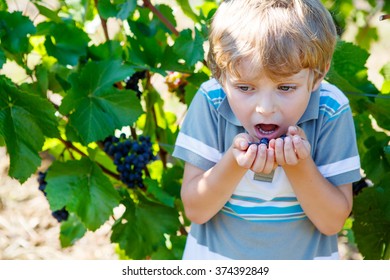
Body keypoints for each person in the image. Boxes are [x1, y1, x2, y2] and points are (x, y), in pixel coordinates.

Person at [173, 0, 361, 260]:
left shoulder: (331, 109)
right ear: (220, 75)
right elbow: (195, 209)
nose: (265, 108)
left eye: (285, 88)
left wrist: (299, 165)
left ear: (318, 75)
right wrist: (234, 164)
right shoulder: (212, 101)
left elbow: (332, 223)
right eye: (245, 88)